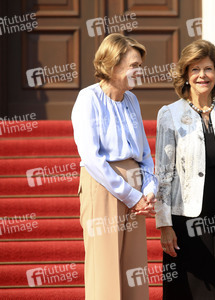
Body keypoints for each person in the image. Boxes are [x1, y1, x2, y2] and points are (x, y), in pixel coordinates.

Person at [155, 39, 215, 300]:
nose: (202, 76)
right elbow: (163, 174)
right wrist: (164, 224)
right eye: (195, 69)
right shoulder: (169, 114)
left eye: (207, 69)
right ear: (185, 75)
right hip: (184, 220)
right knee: (185, 291)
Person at [72, 33, 157, 300]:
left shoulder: (132, 100)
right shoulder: (89, 99)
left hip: (136, 188)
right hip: (103, 187)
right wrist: (132, 196)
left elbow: (143, 151)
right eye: (134, 66)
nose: (138, 72)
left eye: (139, 67)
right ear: (112, 64)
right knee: (104, 267)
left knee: (133, 268)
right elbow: (92, 157)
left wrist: (150, 186)